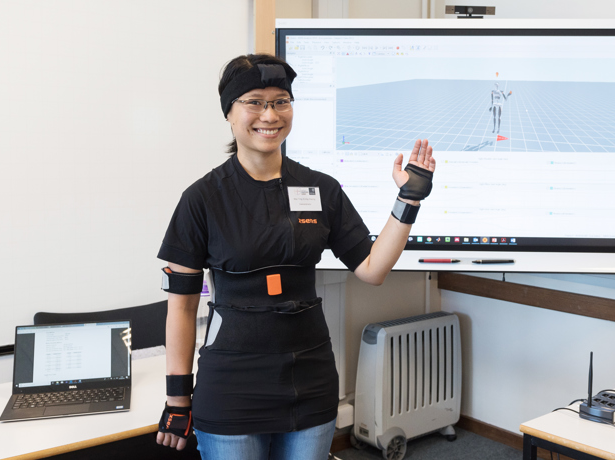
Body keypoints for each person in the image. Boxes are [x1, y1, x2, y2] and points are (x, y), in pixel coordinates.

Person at [154, 54, 436, 459]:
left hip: (310, 382)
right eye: (254, 101)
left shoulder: (322, 189)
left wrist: (408, 199)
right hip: (232, 386)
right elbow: (180, 308)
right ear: (229, 113)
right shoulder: (201, 199)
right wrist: (178, 399)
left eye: (280, 101)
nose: (269, 114)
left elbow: (372, 269)